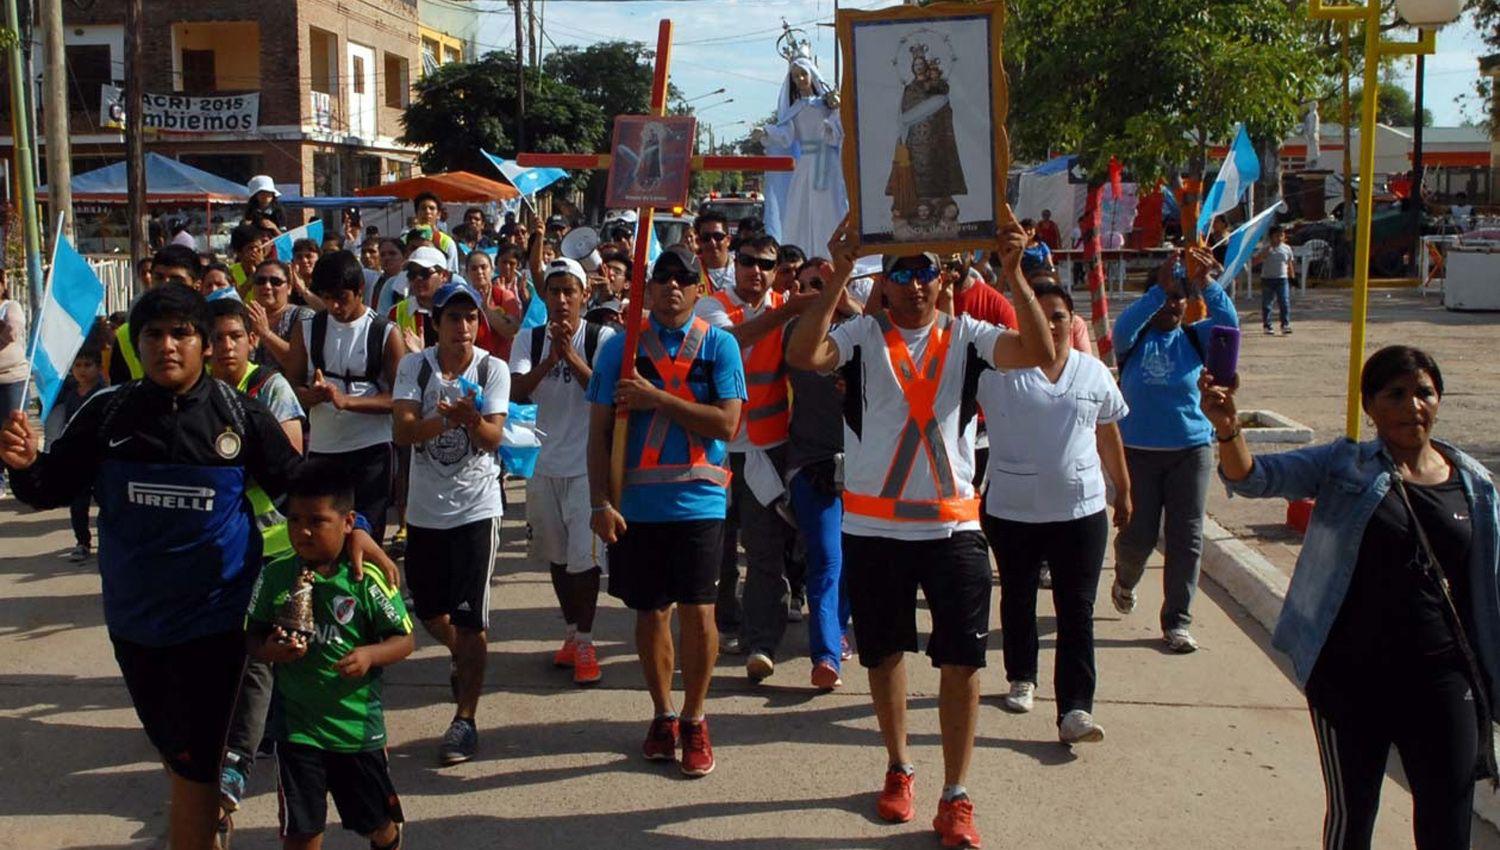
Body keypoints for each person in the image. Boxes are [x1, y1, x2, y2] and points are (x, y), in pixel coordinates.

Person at [0, 285, 391, 850]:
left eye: (181, 333)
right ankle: (206, 823)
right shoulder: (109, 414)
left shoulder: (239, 415)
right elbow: (50, 487)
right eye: (153, 335)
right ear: (137, 345)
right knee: (175, 751)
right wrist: (25, 463)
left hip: (218, 624)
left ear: (204, 345)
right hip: (135, 624)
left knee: (196, 762)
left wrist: (356, 532)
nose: (167, 346)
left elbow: (300, 490)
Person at [786, 213, 1053, 847]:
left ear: (943, 279)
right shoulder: (859, 335)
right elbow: (802, 354)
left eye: (924, 272)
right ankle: (900, 766)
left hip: (953, 529)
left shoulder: (968, 335)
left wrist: (1013, 273)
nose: (913, 286)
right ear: (886, 282)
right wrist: (841, 271)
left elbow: (1040, 353)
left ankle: (956, 792)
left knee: (961, 663)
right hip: (873, 531)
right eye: (901, 273)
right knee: (884, 656)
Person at [1206, 345, 1500, 850]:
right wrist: (1229, 429)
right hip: (1351, 679)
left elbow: (1487, 586)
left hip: (1444, 680)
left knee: (1448, 821)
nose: (1413, 406)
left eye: (1424, 393)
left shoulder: (1474, 484)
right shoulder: (1345, 465)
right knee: (1352, 818)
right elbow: (1252, 479)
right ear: (1370, 406)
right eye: (1396, 394)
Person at [586, 245, 746, 777]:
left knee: (700, 613)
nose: (673, 286)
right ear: (649, 288)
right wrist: (600, 502)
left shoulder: (719, 345)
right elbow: (599, 433)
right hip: (637, 506)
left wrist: (660, 400)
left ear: (700, 289)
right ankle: (663, 713)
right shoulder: (619, 349)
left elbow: (727, 425)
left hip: (700, 501)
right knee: (650, 613)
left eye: (685, 278)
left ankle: (697, 718)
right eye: (663, 277)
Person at [977, 283, 1131, 743]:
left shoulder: (1092, 372)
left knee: (1076, 609)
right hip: (1012, 511)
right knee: (1018, 597)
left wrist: (1122, 488)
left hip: (1079, 512)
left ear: (1072, 321)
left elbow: (1107, 432)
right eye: (1036, 316)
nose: (1048, 325)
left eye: (1058, 316)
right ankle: (1022, 675)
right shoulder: (996, 373)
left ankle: (1075, 709)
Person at [247, 462, 413, 850]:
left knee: (373, 822)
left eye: (317, 521)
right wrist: (268, 649)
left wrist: (370, 655)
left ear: (347, 522)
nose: (303, 531)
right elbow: (251, 634)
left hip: (355, 732)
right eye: (294, 520)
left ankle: (388, 838)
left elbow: (404, 640)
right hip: (297, 729)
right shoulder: (275, 576)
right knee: (301, 830)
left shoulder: (364, 579)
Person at [392, 281, 510, 765]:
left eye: (470, 318)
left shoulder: (491, 368)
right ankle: (461, 655)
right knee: (428, 611)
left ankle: (465, 718)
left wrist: (470, 419)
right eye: (452, 318)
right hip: (424, 512)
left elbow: (493, 438)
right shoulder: (413, 367)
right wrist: (447, 420)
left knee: (470, 619)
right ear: (434, 323)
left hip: (475, 509)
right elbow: (402, 430)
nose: (463, 328)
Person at [694, 231, 816, 678]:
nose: (757, 272)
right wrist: (790, 310)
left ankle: (761, 641)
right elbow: (730, 342)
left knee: (765, 551)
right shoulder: (711, 306)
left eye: (767, 264)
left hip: (766, 452)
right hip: (716, 452)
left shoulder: (790, 303)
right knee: (717, 551)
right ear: (736, 263)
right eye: (749, 262)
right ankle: (727, 625)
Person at [1109, 247, 1237, 653]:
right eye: (1166, 297)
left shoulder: (1196, 339)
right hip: (1139, 453)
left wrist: (1205, 283)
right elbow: (1122, 326)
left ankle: (1177, 622)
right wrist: (1157, 290)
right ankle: (1125, 579)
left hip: (1191, 451)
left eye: (1179, 297)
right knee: (1138, 536)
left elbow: (1229, 325)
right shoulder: (1133, 341)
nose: (1172, 304)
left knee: (1187, 538)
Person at [509, 258, 617, 685]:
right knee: (556, 556)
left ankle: (588, 641)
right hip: (541, 464)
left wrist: (569, 355)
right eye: (553, 291)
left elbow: (604, 391)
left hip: (587, 468)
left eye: (569, 291)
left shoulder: (602, 337)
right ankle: (571, 633)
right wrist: (547, 359)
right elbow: (514, 390)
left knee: (584, 560)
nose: (561, 299)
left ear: (583, 296)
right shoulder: (528, 339)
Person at [286, 251, 405, 543]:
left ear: (360, 291)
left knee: (364, 538)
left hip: (371, 450)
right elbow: (290, 386)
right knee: (323, 539)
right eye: (326, 297)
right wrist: (310, 396)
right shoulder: (308, 329)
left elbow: (401, 399)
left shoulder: (384, 332)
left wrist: (346, 401)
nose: (334, 306)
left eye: (341, 297)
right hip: (324, 450)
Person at [786, 257, 862, 688]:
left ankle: (838, 628)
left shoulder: (862, 331)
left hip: (864, 466)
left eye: (827, 282)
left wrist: (846, 300)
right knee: (827, 557)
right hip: (811, 465)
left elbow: (897, 343)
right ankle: (826, 653)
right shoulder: (791, 334)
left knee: (853, 559)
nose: (821, 290)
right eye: (811, 284)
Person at [754, 54, 849, 255]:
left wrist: (836, 109)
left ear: (812, 75)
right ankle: (805, 251)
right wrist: (766, 132)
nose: (800, 80)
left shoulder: (826, 104)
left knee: (829, 205)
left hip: (827, 161)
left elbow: (839, 128)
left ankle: (832, 250)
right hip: (806, 163)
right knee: (803, 208)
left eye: (803, 75)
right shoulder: (795, 109)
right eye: (796, 77)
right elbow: (786, 136)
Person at [43, 346, 106, 561]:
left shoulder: (105, 394)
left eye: (87, 365)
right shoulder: (70, 396)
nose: (82, 371)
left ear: (99, 368)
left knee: (106, 502)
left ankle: (107, 540)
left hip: (101, 459)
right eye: (77, 366)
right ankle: (82, 541)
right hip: (77, 459)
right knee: (78, 504)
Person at [110, 244, 202, 384]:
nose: (165, 286)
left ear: (196, 286)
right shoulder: (125, 335)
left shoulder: (215, 331)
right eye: (159, 278)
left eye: (176, 280)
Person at [245, 259, 315, 372]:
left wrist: (266, 334)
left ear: (289, 288)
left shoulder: (303, 316)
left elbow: (299, 365)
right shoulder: (243, 318)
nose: (267, 286)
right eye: (260, 281)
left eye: (275, 282)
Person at [1255, 224, 1296, 335]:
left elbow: (1289, 263)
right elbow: (1256, 261)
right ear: (1271, 237)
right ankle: (1267, 326)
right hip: (1267, 279)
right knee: (1267, 304)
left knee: (1284, 302)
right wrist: (1265, 253)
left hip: (1282, 279)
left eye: (1281, 235)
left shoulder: (1286, 248)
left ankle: (1285, 324)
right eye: (1276, 236)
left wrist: (1292, 277)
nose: (1279, 238)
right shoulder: (1266, 247)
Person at [411, 192, 461, 271]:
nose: (427, 212)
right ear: (416, 214)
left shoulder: (447, 242)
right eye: (423, 208)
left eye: (432, 208)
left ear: (438, 214)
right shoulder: (406, 239)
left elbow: (451, 271)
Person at [694, 211, 735, 292]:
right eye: (706, 237)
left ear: (728, 240)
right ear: (698, 241)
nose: (712, 242)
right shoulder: (691, 269)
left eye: (718, 236)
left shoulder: (741, 270)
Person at [367, 237, 409, 316]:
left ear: (404, 256)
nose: (387, 258)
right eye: (382, 255)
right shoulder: (373, 279)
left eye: (392, 253)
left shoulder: (410, 282)